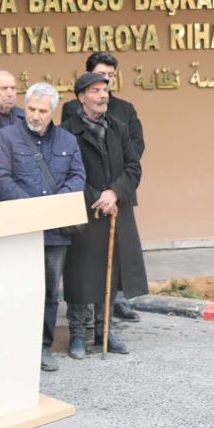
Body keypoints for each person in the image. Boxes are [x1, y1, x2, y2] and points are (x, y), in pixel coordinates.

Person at [0, 82, 86, 372]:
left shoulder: (67, 140)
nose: (35, 115)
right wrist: (32, 208)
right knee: (16, 290)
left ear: (52, 111)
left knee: (49, 293)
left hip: (55, 233)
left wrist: (54, 204)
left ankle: (43, 347)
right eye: (31, 108)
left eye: (42, 111)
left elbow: (78, 176)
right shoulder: (5, 137)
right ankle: (14, 345)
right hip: (18, 228)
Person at [61, 72, 148, 359]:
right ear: (81, 97)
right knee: (81, 274)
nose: (103, 96)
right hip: (85, 211)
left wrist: (115, 193)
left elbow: (133, 166)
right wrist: (99, 197)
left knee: (111, 270)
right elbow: (67, 174)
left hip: (116, 210)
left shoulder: (117, 127)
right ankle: (77, 333)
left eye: (105, 90)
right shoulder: (67, 131)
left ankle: (104, 330)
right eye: (96, 91)